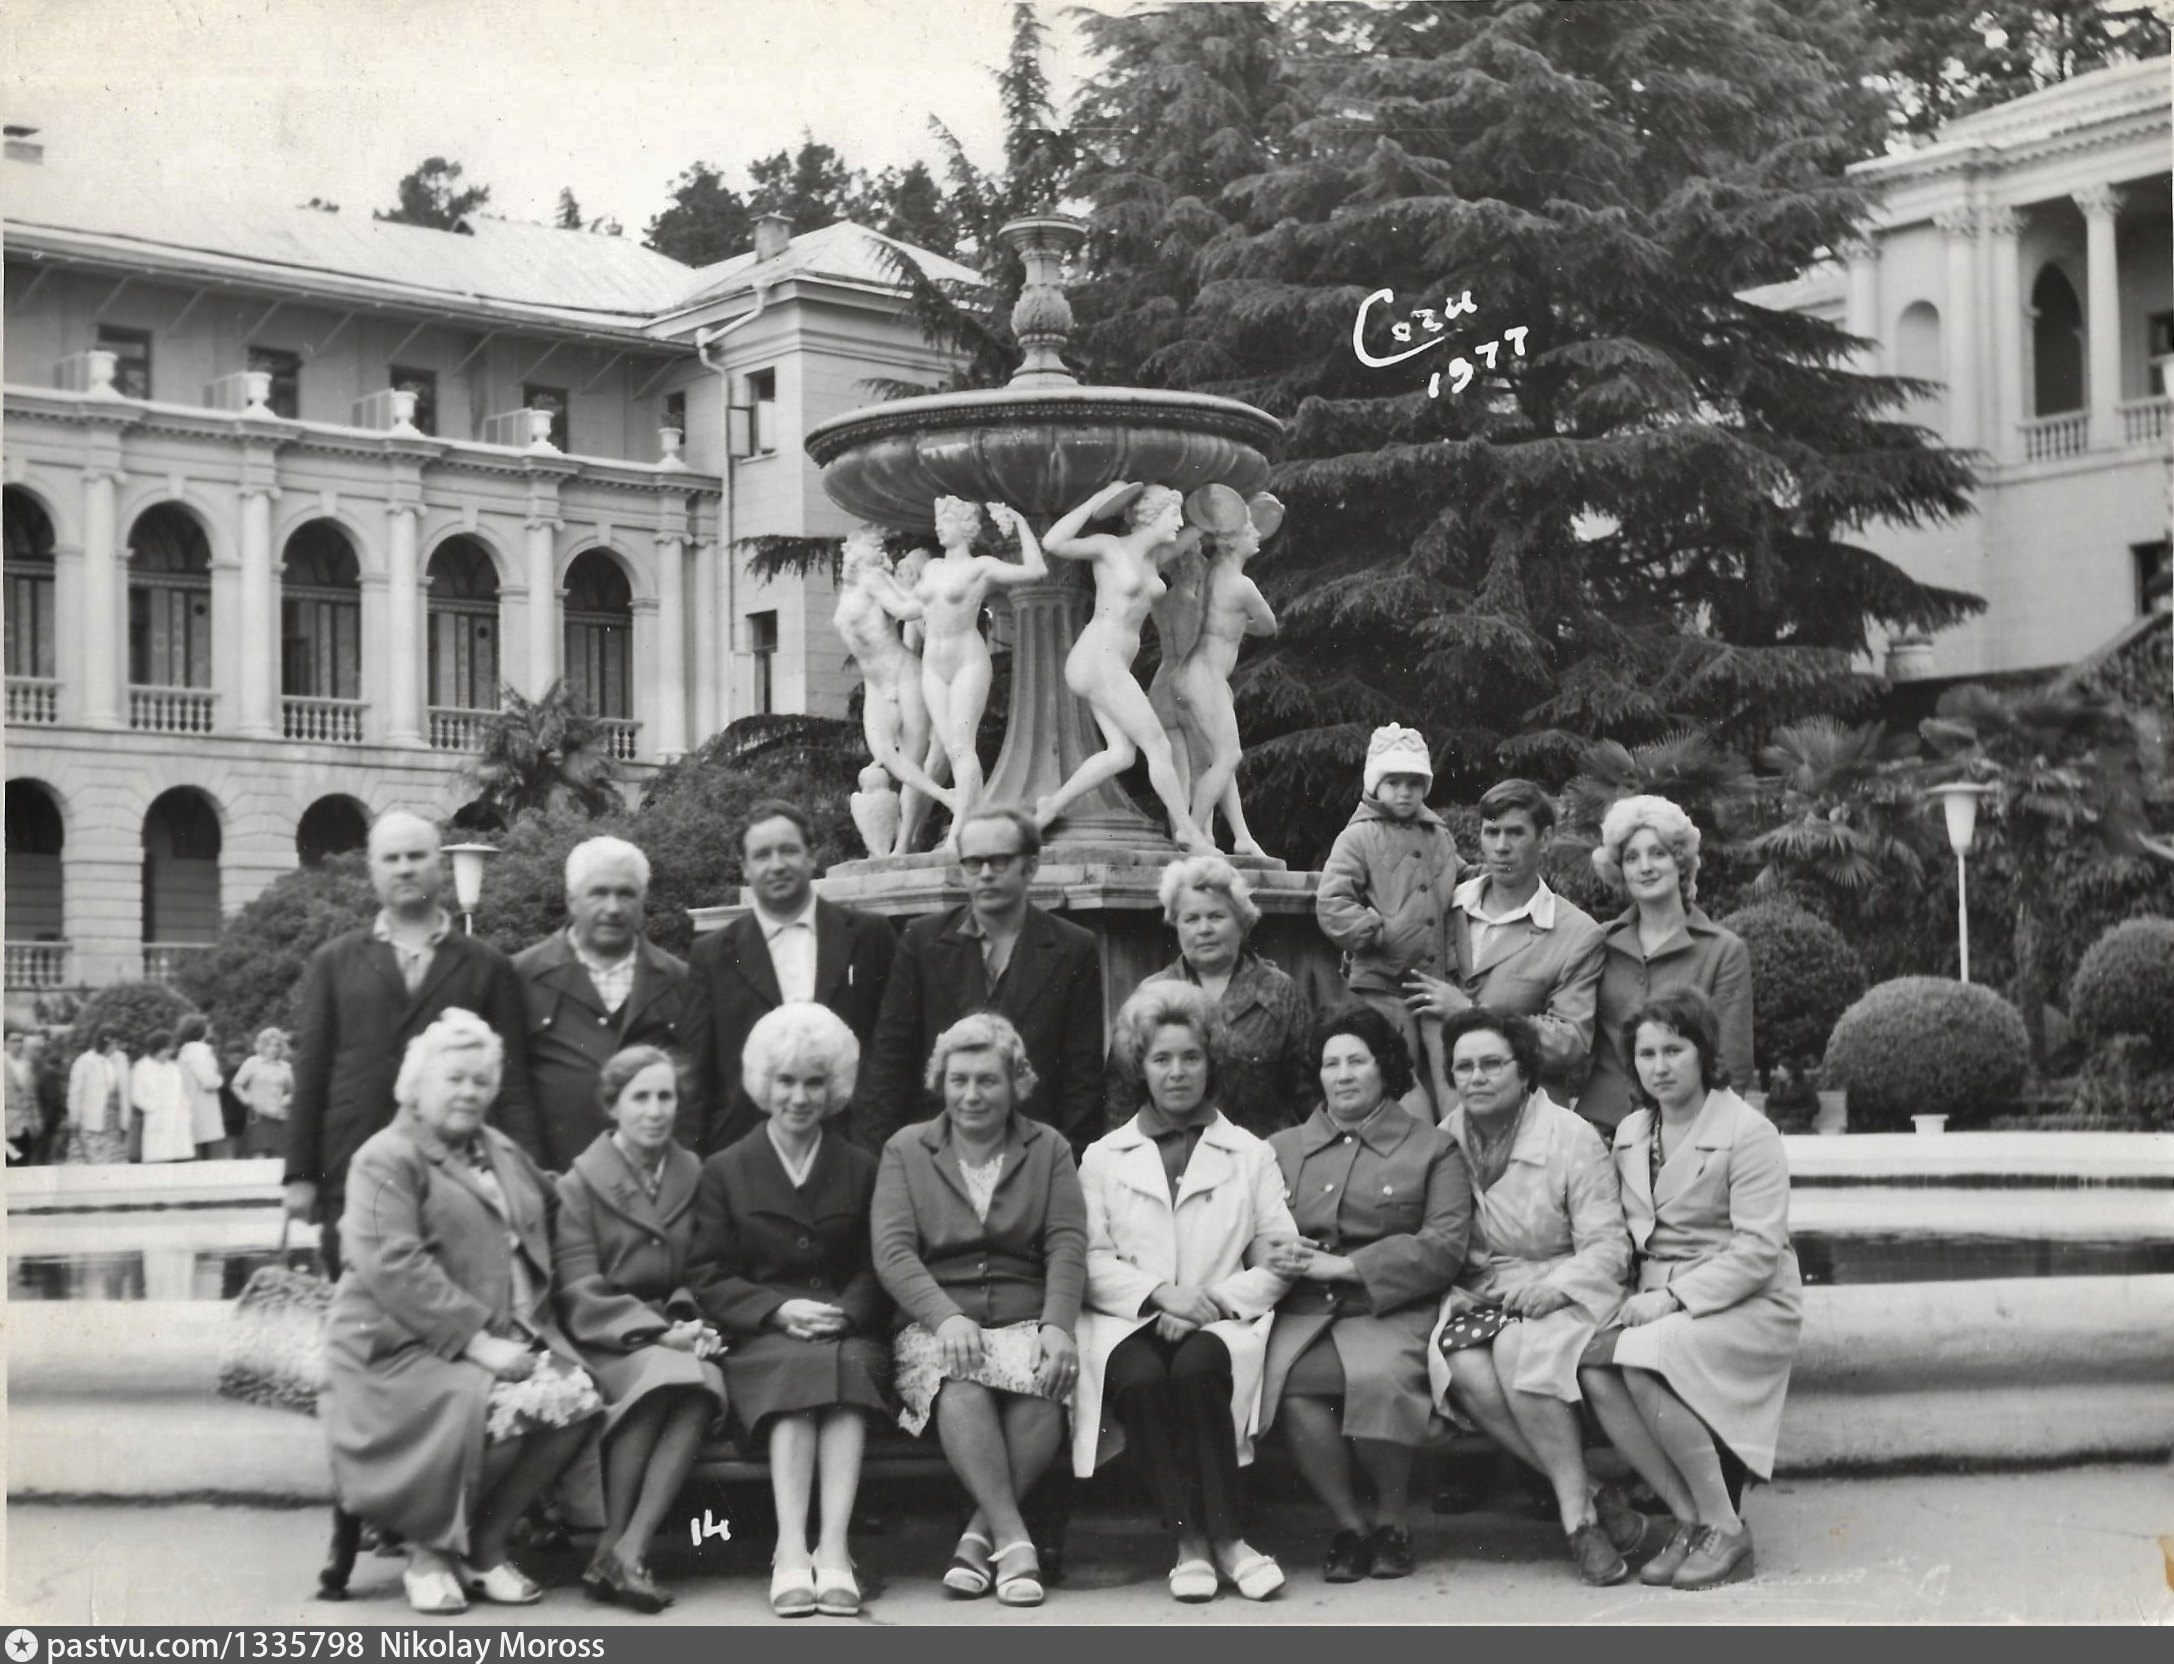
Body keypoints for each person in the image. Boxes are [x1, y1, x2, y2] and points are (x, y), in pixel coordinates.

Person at [321, 1010, 601, 1616]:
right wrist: (478, 1342)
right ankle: (428, 1554)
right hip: (397, 1347)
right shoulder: (385, 1157)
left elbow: (557, 1201)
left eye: (480, 1081)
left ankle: (484, 1547)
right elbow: (394, 1263)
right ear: (416, 1086)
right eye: (454, 1079)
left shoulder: (497, 1148)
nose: (469, 1092)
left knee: (576, 1396)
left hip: (497, 1334)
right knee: (499, 1404)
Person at [1077, 982, 1296, 1604]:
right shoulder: (1103, 1157)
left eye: (1191, 1057)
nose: (1177, 1072)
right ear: (1139, 1066)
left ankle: (1228, 1539)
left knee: (1199, 1367)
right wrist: (1158, 1294)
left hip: (1217, 1317)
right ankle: (1191, 1543)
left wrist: (1212, 1302)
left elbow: (1281, 1256)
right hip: (1129, 1319)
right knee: (1141, 1379)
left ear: (1211, 1061)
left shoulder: (1250, 1153)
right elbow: (1086, 1257)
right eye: (1161, 1058)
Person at [1580, 990, 1804, 1592]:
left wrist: (1671, 1298)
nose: (1660, 1066)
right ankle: (1689, 1519)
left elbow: (1758, 1251)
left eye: (1674, 1050)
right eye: (1647, 1053)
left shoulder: (1748, 1132)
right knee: (1593, 1366)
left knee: (1642, 1356)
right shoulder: (1632, 1131)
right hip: (1657, 1296)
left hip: (1745, 1296)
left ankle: (1726, 1529)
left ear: (1704, 1052)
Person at [1426, 1008, 1653, 1586]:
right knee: (1460, 1362)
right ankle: (1593, 1493)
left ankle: (1579, 1522)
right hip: (1487, 1293)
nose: (1477, 1077)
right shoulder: (1446, 1137)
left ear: (1524, 1070)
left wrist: (1555, 1287)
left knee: (1513, 1350)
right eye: (1463, 1068)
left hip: (1566, 1287)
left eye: (1492, 1064)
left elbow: (1609, 1246)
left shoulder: (1571, 1136)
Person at [871, 1012, 1085, 1609]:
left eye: (987, 1080)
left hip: (1025, 1315)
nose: (971, 1094)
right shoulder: (906, 1148)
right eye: (958, 1079)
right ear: (940, 1082)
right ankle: (1015, 1538)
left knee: (1046, 1382)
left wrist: (1057, 1326)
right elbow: (892, 1252)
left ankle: (977, 1537)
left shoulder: (1049, 1148)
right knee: (960, 1381)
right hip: (935, 1320)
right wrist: (945, 1317)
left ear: (1016, 1083)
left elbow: (1067, 1243)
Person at [687, 1004, 889, 1619]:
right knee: (798, 1372)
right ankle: (791, 1549)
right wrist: (775, 1311)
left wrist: (846, 1314)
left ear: (834, 1088)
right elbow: (707, 1273)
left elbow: (877, 1267)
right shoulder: (724, 1169)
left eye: (814, 1082)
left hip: (845, 1332)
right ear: (763, 1084)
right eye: (786, 1081)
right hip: (763, 1339)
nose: (799, 1097)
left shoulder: (861, 1167)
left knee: (846, 1371)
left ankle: (835, 1548)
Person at [1258, 1005, 1472, 1582]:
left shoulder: (1433, 1148)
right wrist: (1269, 1254)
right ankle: (1350, 1525)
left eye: (1358, 1061)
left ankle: (1393, 1523)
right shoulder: (1279, 1149)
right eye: (1331, 1064)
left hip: (1391, 1308)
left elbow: (1444, 1246)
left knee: (1378, 1379)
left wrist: (1349, 1267)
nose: (1344, 1075)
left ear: (1386, 1068)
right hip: (1304, 1311)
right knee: (1292, 1389)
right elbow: (1249, 1230)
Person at [286, 811, 538, 1269]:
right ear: (372, 870)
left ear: (439, 865)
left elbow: (514, 1084)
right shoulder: (334, 962)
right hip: (352, 1167)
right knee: (361, 1297)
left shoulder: (487, 965)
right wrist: (300, 1175)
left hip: (460, 1175)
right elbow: (311, 1074)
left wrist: (524, 1177)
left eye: (416, 856)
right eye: (391, 858)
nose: (404, 868)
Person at [551, 1046, 728, 1614]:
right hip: (607, 1338)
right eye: (641, 1098)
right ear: (613, 1106)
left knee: (701, 1386)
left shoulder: (692, 1172)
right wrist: (654, 1333)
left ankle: (626, 1548)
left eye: (665, 1097)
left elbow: (701, 1265)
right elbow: (578, 1286)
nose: (655, 1111)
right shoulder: (579, 1184)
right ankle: (616, 1549)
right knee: (670, 1377)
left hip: (671, 1332)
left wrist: (686, 1321)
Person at [857, 806, 1104, 1156]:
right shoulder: (921, 942)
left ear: (1030, 866)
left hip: (1032, 1156)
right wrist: (882, 1164)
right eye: (974, 862)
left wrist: (1065, 1163)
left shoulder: (1073, 948)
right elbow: (890, 1062)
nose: (986, 873)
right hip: (935, 1157)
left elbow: (1083, 1077)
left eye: (999, 861)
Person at [679, 800, 896, 1158]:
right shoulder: (712, 954)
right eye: (762, 855)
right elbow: (697, 1074)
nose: (777, 865)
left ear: (811, 856)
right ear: (745, 867)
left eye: (789, 850)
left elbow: (891, 1052)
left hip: (852, 1149)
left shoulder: (870, 935)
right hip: (746, 1153)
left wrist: (871, 1146)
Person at [1403, 779, 1606, 1107]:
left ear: (1545, 839)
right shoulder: (1442, 905)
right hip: (1432, 1109)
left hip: (1521, 1112)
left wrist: (1472, 1012)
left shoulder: (1577, 933)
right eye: (1492, 832)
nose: (1501, 846)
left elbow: (1569, 1044)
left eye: (1515, 833)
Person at [1034, 480, 1213, 849]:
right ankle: (1187, 830)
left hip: (1110, 664)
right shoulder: (1109, 547)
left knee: (1121, 754)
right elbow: (1053, 542)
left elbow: (1198, 526)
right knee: (1158, 746)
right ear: (1150, 516)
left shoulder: (1153, 558)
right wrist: (1097, 499)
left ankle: (1051, 805)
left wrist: (1223, 508)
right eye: (1173, 514)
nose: (1179, 522)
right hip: (1098, 658)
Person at [1579, 796, 1755, 1133]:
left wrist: (1709, 1141)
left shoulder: (1723, 950)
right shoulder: (1598, 942)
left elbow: (1732, 1064)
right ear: (1620, 869)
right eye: (1632, 857)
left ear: (1681, 862)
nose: (1645, 867)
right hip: (1600, 1131)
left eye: (1657, 853)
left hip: (1687, 1129)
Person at [513, 836, 690, 1172]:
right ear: (571, 900)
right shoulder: (522, 977)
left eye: (626, 894)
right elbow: (511, 1094)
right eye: (598, 893)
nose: (613, 908)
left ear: (643, 900)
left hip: (654, 1183)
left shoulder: (680, 981)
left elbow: (695, 1095)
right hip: (556, 1181)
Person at [1105, 855, 1310, 1139]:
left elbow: (1307, 1094)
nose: (1204, 930)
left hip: (1262, 1153)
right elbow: (1121, 1098)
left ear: (1241, 922)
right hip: (1171, 1155)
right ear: (1176, 924)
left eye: (1216, 917)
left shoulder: (1280, 993)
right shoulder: (1150, 995)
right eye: (1191, 919)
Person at [1315, 723, 1461, 1115]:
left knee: (1450, 1066)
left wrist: (1482, 878)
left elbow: (1456, 876)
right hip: (1383, 979)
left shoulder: (1438, 834)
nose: (1404, 792)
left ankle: (1455, 1142)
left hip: (1435, 979)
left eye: (1414, 783)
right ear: (1374, 784)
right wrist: (1373, 931)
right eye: (1393, 782)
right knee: (1399, 1070)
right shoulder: (1358, 837)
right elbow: (1332, 900)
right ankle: (1413, 1144)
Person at [913, 497, 1049, 825]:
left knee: (961, 746)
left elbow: (1036, 570)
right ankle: (973, 816)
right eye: (938, 520)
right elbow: (908, 608)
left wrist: (1020, 522)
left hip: (966, 661)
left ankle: (961, 828)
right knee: (950, 748)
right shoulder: (932, 568)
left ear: (966, 527)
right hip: (932, 665)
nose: (939, 526)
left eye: (946, 521)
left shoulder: (981, 566)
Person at [1173, 492, 1282, 857]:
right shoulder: (1242, 585)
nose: (1257, 535)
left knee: (1219, 759)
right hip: (1206, 677)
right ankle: (1190, 830)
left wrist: (1229, 624)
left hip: (1191, 674)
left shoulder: (1211, 572)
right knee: (1228, 756)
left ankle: (1242, 837)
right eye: (1250, 530)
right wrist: (1240, 626)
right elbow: (1269, 626)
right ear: (1233, 540)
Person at [835, 527, 955, 854]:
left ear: (870, 558)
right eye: (848, 552)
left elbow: (907, 610)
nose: (848, 558)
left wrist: (936, 588)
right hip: (877, 685)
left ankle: (904, 844)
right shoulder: (855, 587)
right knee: (886, 758)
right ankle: (945, 800)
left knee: (910, 765)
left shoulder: (873, 580)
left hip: (903, 676)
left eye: (856, 553)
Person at [64, 1030, 130, 1165]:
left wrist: (125, 1121)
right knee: (95, 1159)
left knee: (115, 1160)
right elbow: (75, 1093)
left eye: (115, 1043)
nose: (113, 1047)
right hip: (92, 1119)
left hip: (114, 1119)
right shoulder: (84, 1061)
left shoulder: (121, 1059)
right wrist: (74, 1117)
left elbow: (125, 1090)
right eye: (110, 1044)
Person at [131, 1031, 195, 1164]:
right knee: (159, 1160)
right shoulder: (142, 1067)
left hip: (178, 1122)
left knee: (181, 1160)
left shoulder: (173, 1068)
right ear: (157, 1048)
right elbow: (137, 1096)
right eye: (167, 1048)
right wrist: (153, 1108)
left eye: (171, 1048)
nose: (170, 1052)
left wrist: (186, 1108)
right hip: (157, 1120)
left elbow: (182, 1092)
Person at [232, 1027, 294, 1159]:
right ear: (262, 1046)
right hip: (259, 1116)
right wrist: (247, 1100)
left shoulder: (285, 1067)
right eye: (269, 1045)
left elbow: (293, 1091)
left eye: (277, 1045)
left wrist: (286, 1100)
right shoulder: (252, 1063)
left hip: (279, 1116)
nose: (273, 1049)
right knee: (259, 1156)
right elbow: (236, 1084)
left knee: (279, 1157)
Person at [175, 1015, 227, 1159]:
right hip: (204, 1110)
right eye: (207, 1025)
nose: (210, 1028)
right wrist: (220, 1080)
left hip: (190, 1106)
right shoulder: (200, 1051)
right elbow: (208, 1082)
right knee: (210, 1156)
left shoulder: (184, 1051)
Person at [6, 1029, 41, 1163]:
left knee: (23, 1162)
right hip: (7, 1124)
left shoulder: (26, 1065)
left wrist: (37, 1120)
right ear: (5, 1043)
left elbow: (32, 1097)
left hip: (25, 1126)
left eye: (21, 1041)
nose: (18, 1044)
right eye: (14, 1041)